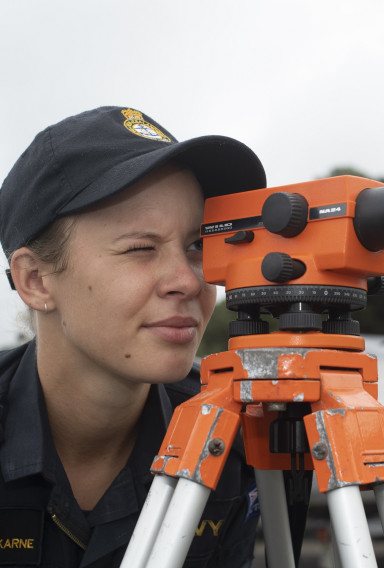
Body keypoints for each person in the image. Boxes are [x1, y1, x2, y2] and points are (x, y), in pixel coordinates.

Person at [0, 106, 266, 567]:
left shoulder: (237, 437)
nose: (187, 280)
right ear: (36, 280)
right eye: (141, 248)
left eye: (197, 246)